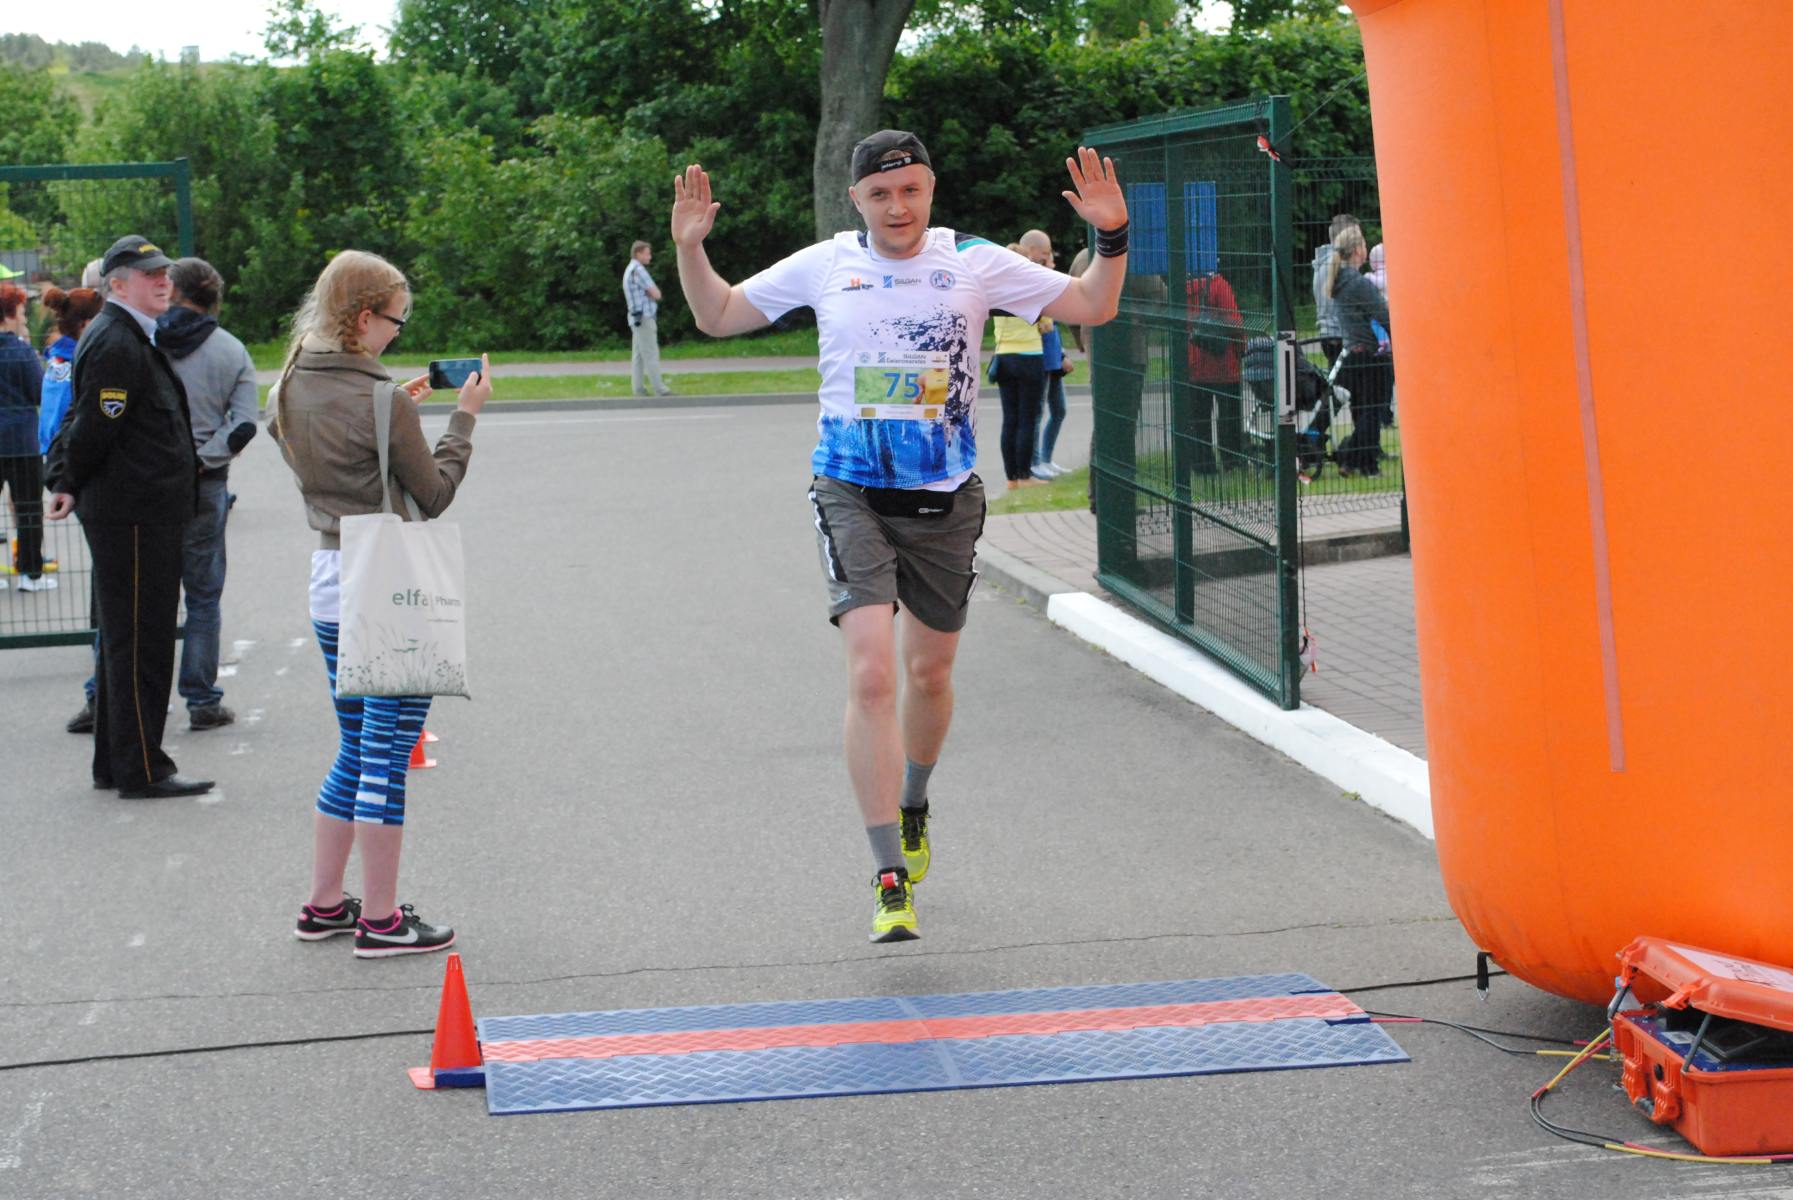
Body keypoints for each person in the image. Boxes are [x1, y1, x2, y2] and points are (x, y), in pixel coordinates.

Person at [670, 130, 1128, 941]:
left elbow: (1093, 305)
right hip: (850, 490)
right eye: (880, 195)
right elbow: (716, 314)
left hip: (943, 499)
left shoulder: (973, 260)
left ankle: (913, 801)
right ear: (856, 200)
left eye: (910, 190)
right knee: (873, 674)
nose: (896, 207)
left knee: (929, 672)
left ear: (930, 189)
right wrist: (690, 249)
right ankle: (888, 875)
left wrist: (1111, 236)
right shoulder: (827, 264)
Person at [270, 249, 490, 958]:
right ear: (364, 318)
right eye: (396, 320)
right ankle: (383, 920)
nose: (398, 332)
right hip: (387, 586)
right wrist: (463, 420)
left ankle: (324, 904)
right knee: (386, 757)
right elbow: (435, 492)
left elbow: (328, 458)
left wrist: (394, 425)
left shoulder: (290, 381)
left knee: (355, 745)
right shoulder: (383, 399)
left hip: (331, 575)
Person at [44, 235, 212, 799]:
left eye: (165, 272)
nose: (163, 281)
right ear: (117, 285)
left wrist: (67, 479)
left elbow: (86, 418)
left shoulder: (125, 333)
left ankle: (115, 763)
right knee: (142, 644)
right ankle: (143, 768)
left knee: (127, 640)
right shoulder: (118, 340)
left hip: (139, 510)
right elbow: (94, 425)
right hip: (135, 514)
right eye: (149, 275)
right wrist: (67, 479)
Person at [158, 257, 259, 731]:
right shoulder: (230, 350)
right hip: (204, 483)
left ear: (174, 292)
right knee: (202, 595)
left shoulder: (145, 340)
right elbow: (243, 425)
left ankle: (112, 694)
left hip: (149, 482)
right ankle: (201, 699)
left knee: (137, 592)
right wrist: (203, 458)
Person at [39, 287, 107, 731]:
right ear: (85, 325)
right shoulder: (82, 360)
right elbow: (81, 424)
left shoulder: (58, 360)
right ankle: (101, 692)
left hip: (58, 466)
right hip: (80, 476)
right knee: (109, 594)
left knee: (105, 589)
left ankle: (102, 689)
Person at [1323, 225, 1394, 476]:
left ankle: (1358, 461)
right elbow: (1383, 314)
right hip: (1371, 354)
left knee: (1363, 409)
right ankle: (1357, 459)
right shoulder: (1358, 283)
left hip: (1353, 351)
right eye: (1363, 244)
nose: (1366, 248)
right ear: (1356, 251)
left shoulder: (1339, 281)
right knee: (1372, 410)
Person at [1, 285, 52, 593]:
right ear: (8, 315)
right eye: (21, 312)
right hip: (21, 441)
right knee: (29, 509)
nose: (23, 318)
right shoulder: (21, 352)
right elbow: (39, 392)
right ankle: (30, 574)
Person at [990, 244, 1048, 490]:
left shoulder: (995, 289)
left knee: (1009, 418)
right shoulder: (1032, 288)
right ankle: (1025, 475)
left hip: (1003, 356)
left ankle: (1011, 478)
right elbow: (1046, 325)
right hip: (1029, 355)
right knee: (1027, 418)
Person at [1020, 229, 1073, 479]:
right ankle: (1034, 462)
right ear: (1032, 251)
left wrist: (1061, 353)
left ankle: (1046, 458)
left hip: (1052, 356)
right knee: (1037, 412)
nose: (1049, 258)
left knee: (1059, 409)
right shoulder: (1026, 279)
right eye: (1046, 253)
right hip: (1037, 356)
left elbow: (1054, 320)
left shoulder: (1044, 278)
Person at [1185, 269, 1246, 473]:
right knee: (1229, 415)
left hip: (1194, 362)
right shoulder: (1218, 284)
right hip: (1223, 363)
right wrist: (1241, 348)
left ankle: (1202, 464)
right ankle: (1232, 460)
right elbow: (1234, 321)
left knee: (1198, 419)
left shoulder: (1180, 287)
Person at [623, 240, 671, 397]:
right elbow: (656, 293)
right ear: (638, 254)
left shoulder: (629, 269)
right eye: (647, 253)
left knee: (638, 356)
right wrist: (651, 294)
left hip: (635, 318)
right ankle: (660, 389)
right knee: (651, 354)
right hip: (645, 318)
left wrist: (647, 293)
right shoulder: (639, 270)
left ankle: (638, 389)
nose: (650, 256)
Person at [1311, 213, 1360, 366]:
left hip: (1327, 334)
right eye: (1357, 236)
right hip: (1341, 335)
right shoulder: (1339, 266)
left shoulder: (1322, 263)